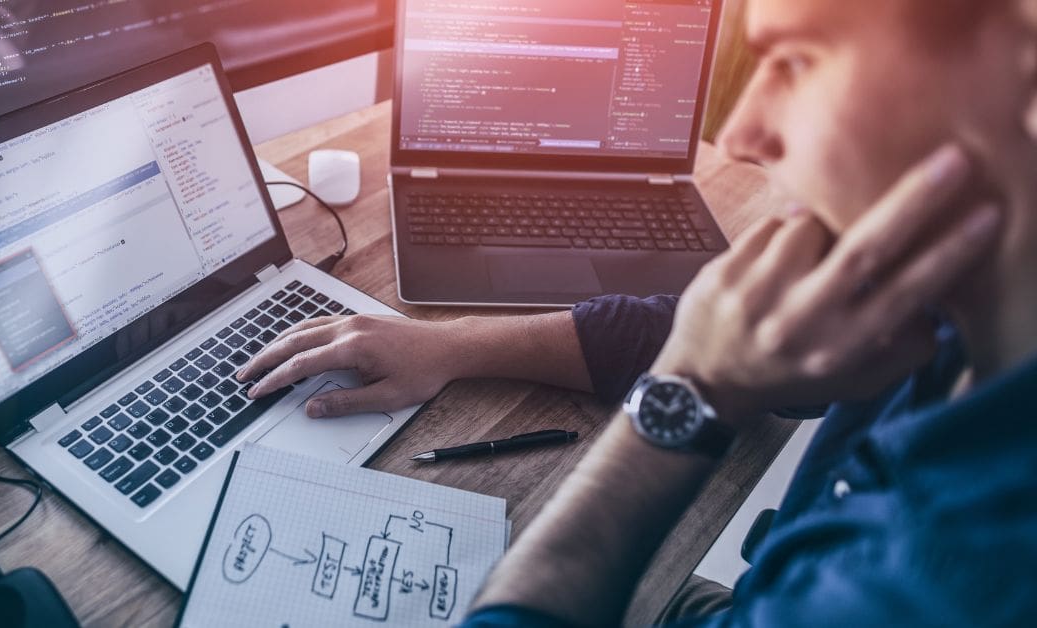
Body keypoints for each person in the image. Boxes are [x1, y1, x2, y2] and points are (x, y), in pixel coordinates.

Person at [240, 0, 1037, 623]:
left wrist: (689, 385)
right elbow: (764, 348)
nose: (742, 134)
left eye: (797, 61)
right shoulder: (942, 306)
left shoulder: (937, 586)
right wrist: (452, 346)